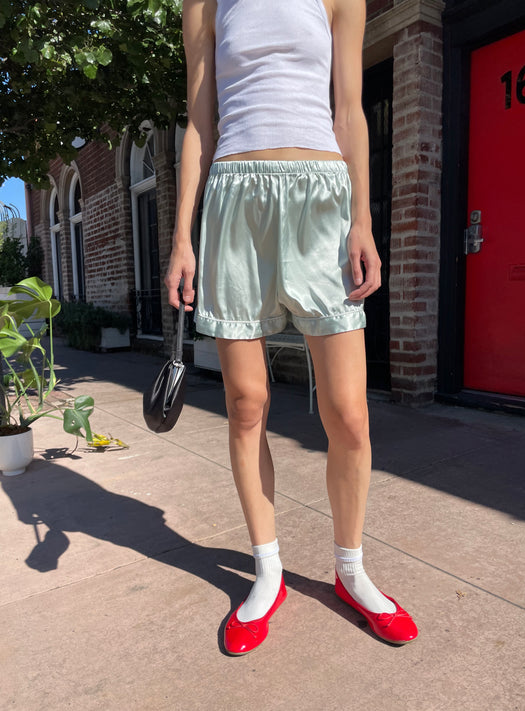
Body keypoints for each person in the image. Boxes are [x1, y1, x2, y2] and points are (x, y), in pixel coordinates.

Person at [165, 0, 418, 655]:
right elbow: (199, 122)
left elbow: (349, 112)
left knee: (348, 412)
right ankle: (268, 569)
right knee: (246, 402)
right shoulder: (203, 4)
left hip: (320, 200)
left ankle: (351, 568)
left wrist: (361, 220)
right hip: (234, 204)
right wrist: (181, 238)